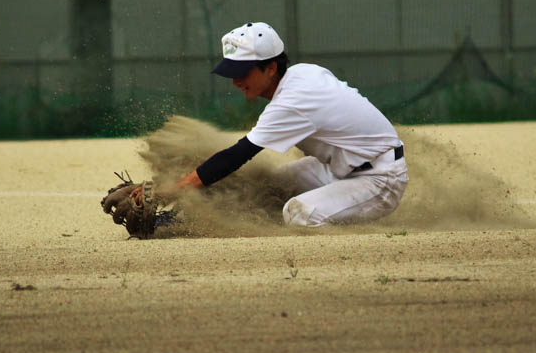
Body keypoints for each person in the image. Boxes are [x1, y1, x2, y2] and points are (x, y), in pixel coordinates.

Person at [133, 22, 408, 227]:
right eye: (232, 72)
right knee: (265, 190)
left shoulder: (292, 100)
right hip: (339, 169)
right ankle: (174, 220)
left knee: (297, 214)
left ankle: (351, 232)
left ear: (271, 68)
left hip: (378, 180)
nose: (236, 81)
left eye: (242, 71)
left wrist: (172, 189)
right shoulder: (302, 73)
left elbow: (235, 156)